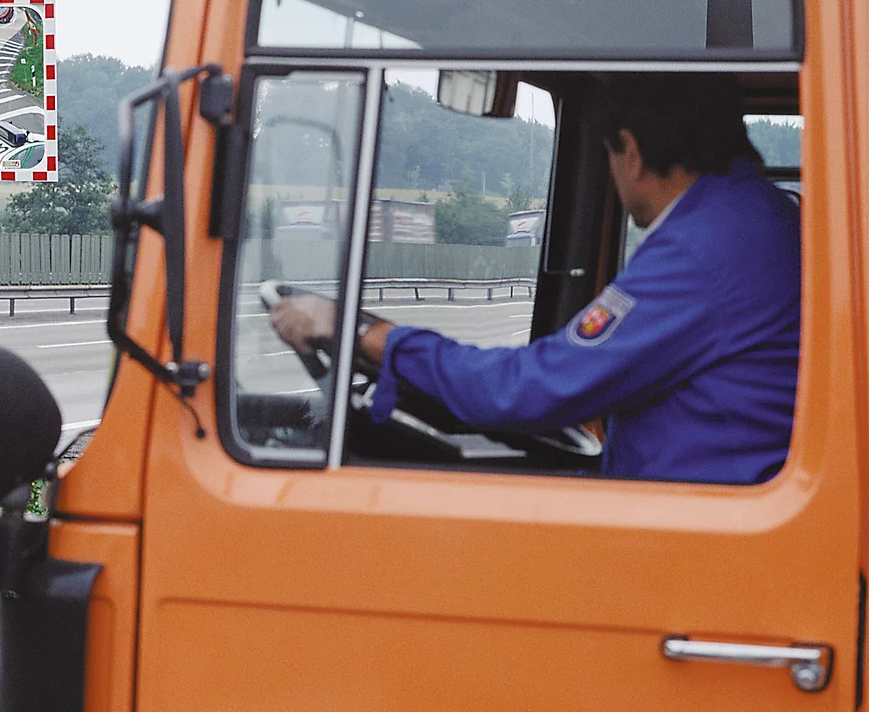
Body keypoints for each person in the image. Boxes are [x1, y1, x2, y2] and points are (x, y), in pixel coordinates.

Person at [269, 74, 801, 484]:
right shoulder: (757, 220)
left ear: (631, 152)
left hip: (698, 544)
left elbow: (530, 390)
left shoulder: (705, 249)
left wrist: (364, 333)